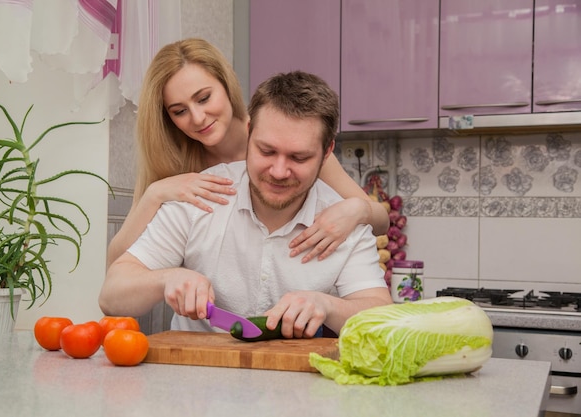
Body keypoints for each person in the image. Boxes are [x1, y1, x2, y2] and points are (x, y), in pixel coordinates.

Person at [99, 71, 393, 338]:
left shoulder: (343, 221)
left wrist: (327, 306)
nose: (279, 171)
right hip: (193, 384)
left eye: (299, 158)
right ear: (249, 132)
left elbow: (382, 318)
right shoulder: (200, 195)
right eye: (266, 151)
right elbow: (111, 296)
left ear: (327, 152)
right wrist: (165, 279)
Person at [106, 38, 389, 268]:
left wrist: (357, 209)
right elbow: (117, 264)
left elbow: (381, 221)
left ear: (226, 85)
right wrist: (155, 193)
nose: (198, 117)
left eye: (204, 98)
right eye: (179, 111)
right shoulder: (179, 167)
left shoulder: (288, 143)